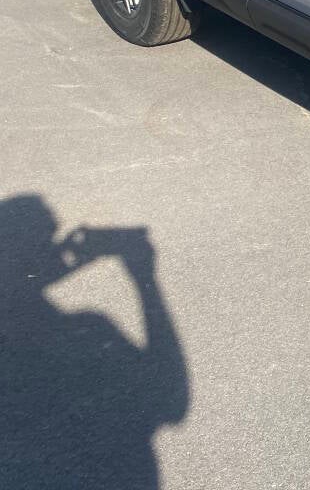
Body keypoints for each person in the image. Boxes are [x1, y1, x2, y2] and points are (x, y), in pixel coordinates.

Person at [0, 194, 188, 489]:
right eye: (49, 239)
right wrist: (144, 280)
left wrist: (34, 276)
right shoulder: (87, 334)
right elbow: (172, 402)